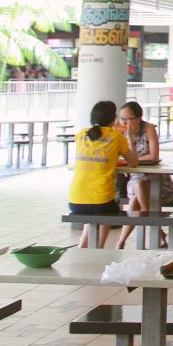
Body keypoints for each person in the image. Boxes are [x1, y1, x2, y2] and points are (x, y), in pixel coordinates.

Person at [70, 101, 139, 248]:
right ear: (113, 119)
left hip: (75, 200)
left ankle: (83, 245)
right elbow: (133, 162)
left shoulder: (81, 135)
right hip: (101, 201)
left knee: (94, 213)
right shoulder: (116, 137)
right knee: (105, 211)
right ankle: (99, 249)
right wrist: (129, 137)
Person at [116, 101, 173, 250]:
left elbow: (154, 155)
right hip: (134, 178)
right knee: (139, 186)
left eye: (128, 118)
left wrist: (132, 158)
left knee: (136, 201)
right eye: (121, 118)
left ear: (138, 118)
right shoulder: (118, 133)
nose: (124, 122)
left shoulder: (148, 128)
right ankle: (157, 230)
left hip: (156, 178)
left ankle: (121, 242)